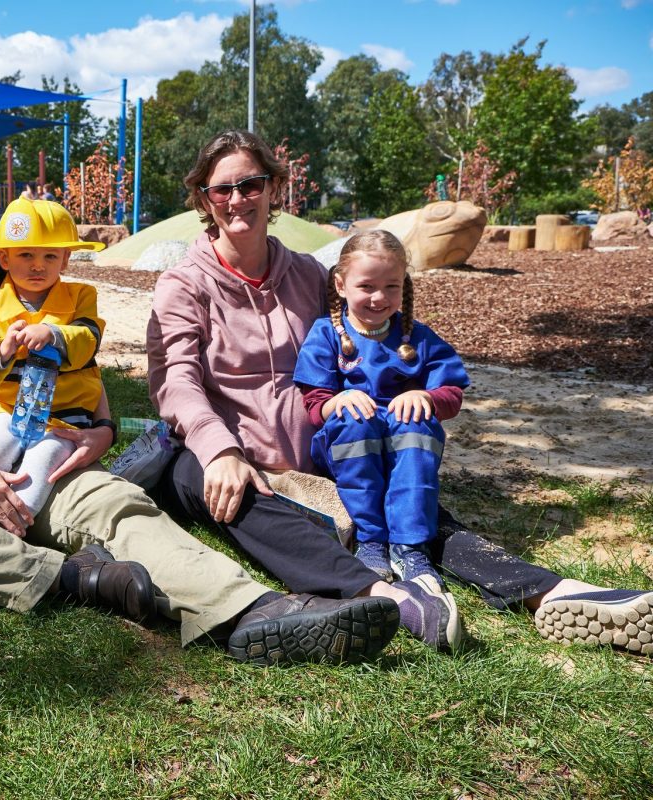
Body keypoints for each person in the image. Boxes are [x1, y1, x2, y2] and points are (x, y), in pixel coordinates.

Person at [0, 105, 400, 667]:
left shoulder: (11, 264)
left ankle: (252, 609)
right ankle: (71, 578)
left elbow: (76, 353)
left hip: (40, 437)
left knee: (118, 506)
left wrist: (100, 427)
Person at [147, 128, 653, 658]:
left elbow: (373, 344)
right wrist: (220, 449)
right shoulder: (184, 285)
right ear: (203, 198)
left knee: (405, 497)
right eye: (220, 189)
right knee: (223, 488)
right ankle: (382, 594)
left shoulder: (310, 275)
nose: (235, 200)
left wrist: (411, 403)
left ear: (274, 187)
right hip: (229, 452)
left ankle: (551, 592)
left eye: (249, 184)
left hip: (326, 450)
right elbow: (174, 380)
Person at [293, 230, 470, 585]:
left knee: (417, 426)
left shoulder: (416, 337)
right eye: (367, 287)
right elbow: (313, 404)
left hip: (403, 442)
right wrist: (336, 401)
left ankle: (410, 546)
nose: (379, 297)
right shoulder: (327, 334)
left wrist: (427, 398)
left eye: (391, 287)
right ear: (341, 285)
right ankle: (371, 539)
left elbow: (452, 393)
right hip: (350, 445)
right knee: (355, 422)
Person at [0, 197, 107, 519]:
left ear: (65, 260)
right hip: (8, 410)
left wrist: (53, 334)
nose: (38, 265)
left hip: (63, 418)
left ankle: (18, 519)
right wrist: (3, 349)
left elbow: (89, 340)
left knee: (41, 467)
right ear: (4, 258)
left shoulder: (82, 297)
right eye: (26, 254)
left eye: (50, 255)